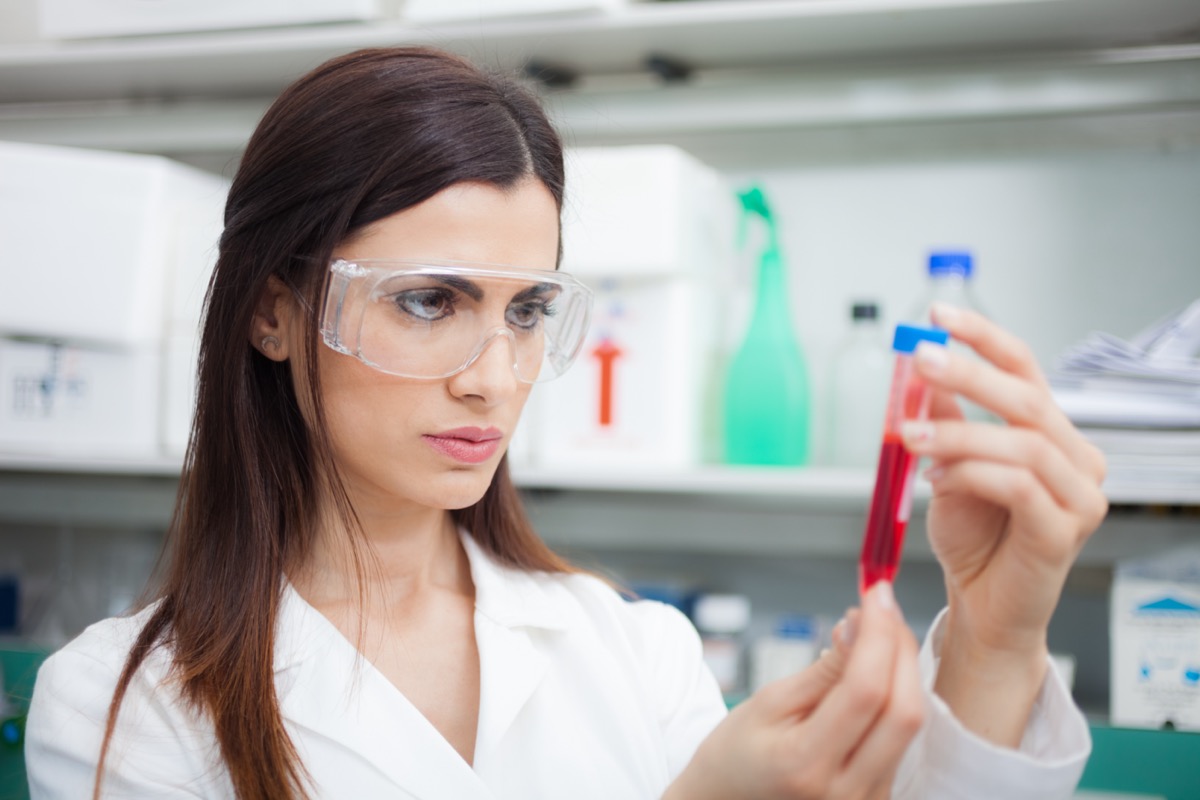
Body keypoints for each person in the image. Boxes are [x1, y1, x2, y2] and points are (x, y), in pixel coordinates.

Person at [24, 46, 1107, 800]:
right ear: (271, 310)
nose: (496, 378)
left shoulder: (631, 650)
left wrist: (997, 639)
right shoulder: (125, 703)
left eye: (529, 309)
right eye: (428, 300)